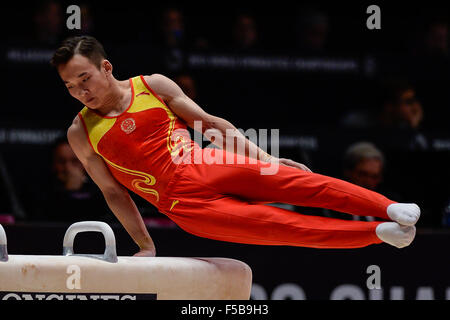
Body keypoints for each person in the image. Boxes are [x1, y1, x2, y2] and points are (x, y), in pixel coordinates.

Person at [51, 36, 420, 257]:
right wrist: (146, 245)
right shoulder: (81, 132)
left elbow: (210, 125)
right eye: (70, 86)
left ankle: (389, 207)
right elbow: (114, 193)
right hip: (186, 207)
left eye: (85, 78)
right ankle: (376, 233)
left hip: (205, 162)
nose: (81, 91)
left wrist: (267, 159)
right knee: (285, 227)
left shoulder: (152, 86)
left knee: (299, 183)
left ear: (106, 67)